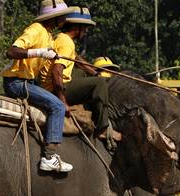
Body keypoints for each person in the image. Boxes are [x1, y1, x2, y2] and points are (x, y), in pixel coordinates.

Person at [1, 0, 74, 172]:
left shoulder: (49, 35)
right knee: (57, 106)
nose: (64, 18)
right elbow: (11, 51)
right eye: (62, 15)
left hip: (28, 82)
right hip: (16, 83)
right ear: (54, 17)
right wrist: (39, 52)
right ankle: (49, 157)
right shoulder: (36, 29)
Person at [38, 6, 122, 142]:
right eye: (85, 27)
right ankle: (103, 128)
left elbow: (76, 59)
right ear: (77, 27)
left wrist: (94, 72)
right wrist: (61, 100)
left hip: (47, 85)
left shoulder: (61, 38)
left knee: (83, 74)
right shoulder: (67, 43)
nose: (86, 31)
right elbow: (56, 71)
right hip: (53, 88)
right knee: (99, 84)